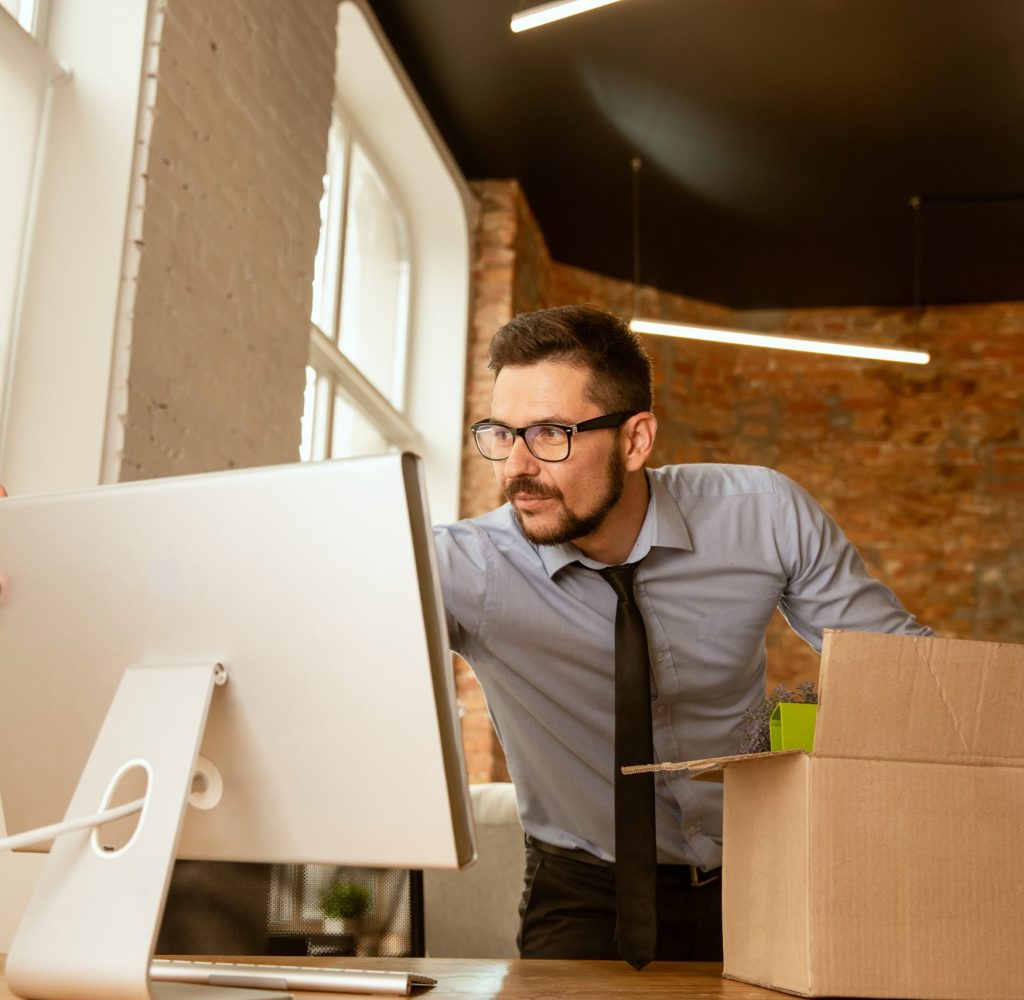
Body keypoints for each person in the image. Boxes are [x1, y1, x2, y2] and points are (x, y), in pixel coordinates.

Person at [432, 304, 931, 966]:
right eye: (501, 433)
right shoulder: (462, 567)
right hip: (585, 891)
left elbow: (909, 673)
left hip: (763, 878)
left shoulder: (762, 516)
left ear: (636, 440)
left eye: (551, 434)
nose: (517, 467)